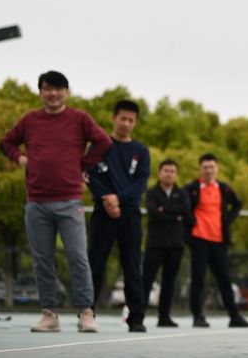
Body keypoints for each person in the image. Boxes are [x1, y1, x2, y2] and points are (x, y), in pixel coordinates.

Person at [0, 70, 111, 333]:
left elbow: (103, 142)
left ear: (66, 92)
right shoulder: (30, 120)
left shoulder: (79, 118)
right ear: (40, 92)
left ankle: (86, 313)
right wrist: (20, 158)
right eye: (47, 88)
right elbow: (6, 142)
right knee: (42, 260)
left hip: (70, 199)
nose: (53, 93)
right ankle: (49, 314)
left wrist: (82, 164)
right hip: (36, 201)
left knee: (77, 257)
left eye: (58, 89)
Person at [85, 100, 150, 332]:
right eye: (122, 118)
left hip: (130, 213)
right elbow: (89, 176)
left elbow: (141, 182)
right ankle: (87, 312)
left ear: (135, 122)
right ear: (114, 118)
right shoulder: (99, 146)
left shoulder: (141, 151)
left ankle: (136, 317)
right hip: (102, 212)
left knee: (132, 265)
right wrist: (107, 199)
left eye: (131, 120)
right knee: (95, 264)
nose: (126, 123)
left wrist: (119, 199)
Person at [185, 153, 248, 328]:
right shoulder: (192, 188)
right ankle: (198, 316)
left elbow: (237, 204)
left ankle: (234, 317)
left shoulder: (223, 188)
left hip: (219, 241)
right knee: (198, 279)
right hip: (199, 239)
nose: (208, 170)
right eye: (205, 167)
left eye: (211, 167)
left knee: (225, 279)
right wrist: (191, 223)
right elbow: (184, 209)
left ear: (217, 168)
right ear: (200, 169)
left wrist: (227, 221)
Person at [142, 159, 190, 327]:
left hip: (176, 244)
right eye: (166, 171)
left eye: (172, 171)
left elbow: (186, 211)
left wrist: (164, 208)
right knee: (147, 280)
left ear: (176, 174)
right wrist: (175, 216)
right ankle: (138, 315)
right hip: (155, 244)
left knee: (169, 282)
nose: (169, 174)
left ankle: (164, 317)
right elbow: (153, 213)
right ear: (159, 173)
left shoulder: (182, 193)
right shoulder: (151, 192)